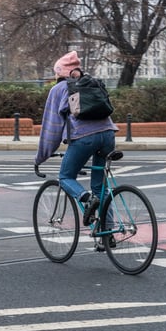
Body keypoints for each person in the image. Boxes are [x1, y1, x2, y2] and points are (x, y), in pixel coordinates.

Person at [34, 50, 118, 225]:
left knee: (65, 177)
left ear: (59, 73)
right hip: (109, 135)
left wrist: (41, 157)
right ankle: (107, 233)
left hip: (84, 138)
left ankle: (86, 199)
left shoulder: (58, 90)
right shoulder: (90, 83)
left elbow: (51, 129)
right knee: (99, 187)